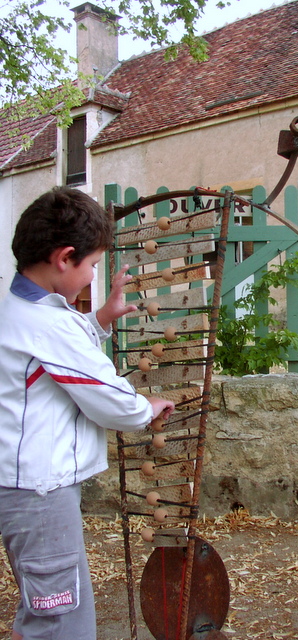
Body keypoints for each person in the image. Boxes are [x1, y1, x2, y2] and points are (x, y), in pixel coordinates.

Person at [0, 186, 174, 640]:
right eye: (92, 266)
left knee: (41, 610)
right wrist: (144, 408)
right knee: (60, 623)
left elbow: (57, 363)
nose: (93, 274)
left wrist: (99, 321)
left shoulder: (20, 308)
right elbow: (104, 395)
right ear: (64, 257)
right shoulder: (50, 325)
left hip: (25, 489)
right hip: (40, 495)